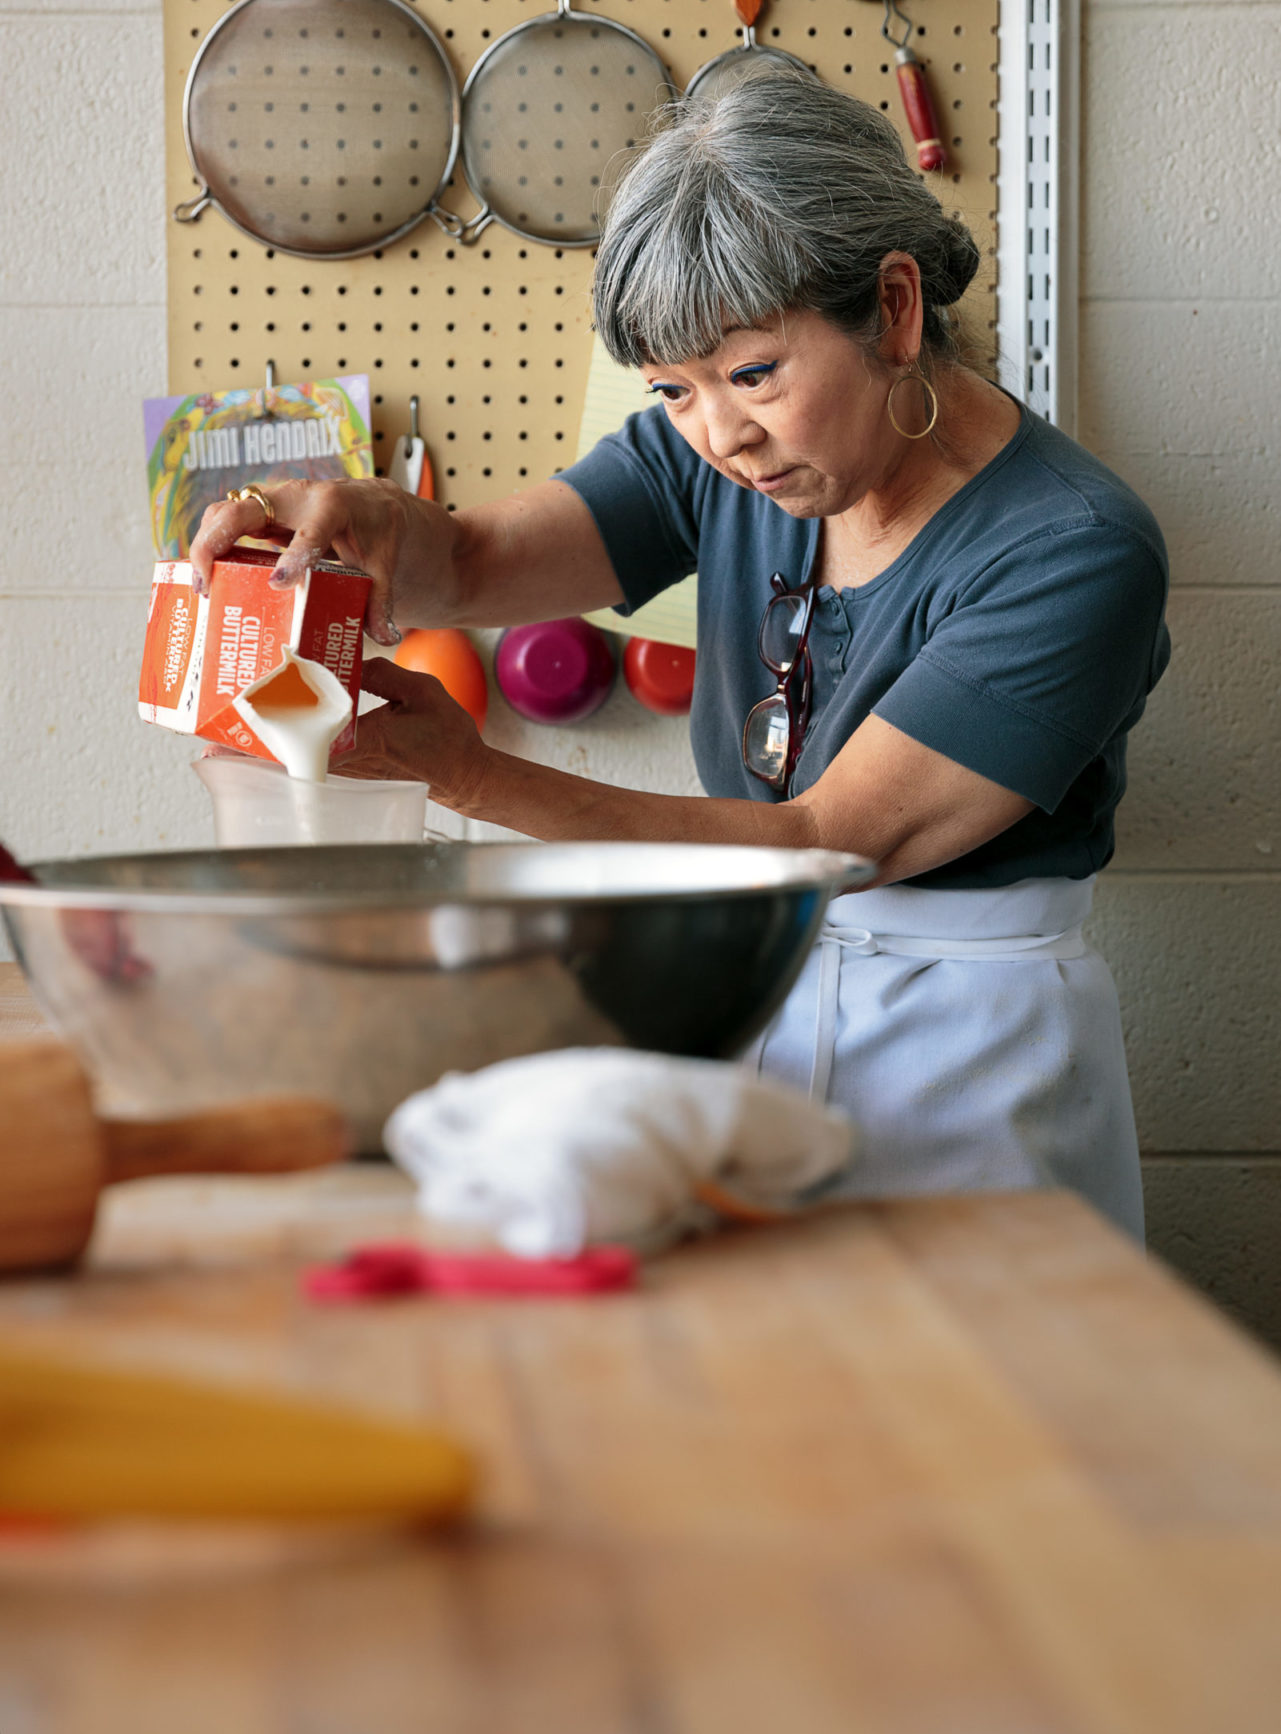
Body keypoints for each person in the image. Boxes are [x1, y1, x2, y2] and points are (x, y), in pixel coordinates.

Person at [191, 75, 1170, 1241]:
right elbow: (485, 558)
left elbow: (829, 841)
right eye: (673, 390)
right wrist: (375, 527)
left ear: (895, 309)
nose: (721, 435)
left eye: (753, 373)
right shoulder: (711, 452)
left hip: (970, 1053)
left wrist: (469, 775)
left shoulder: (1072, 550)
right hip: (742, 983)